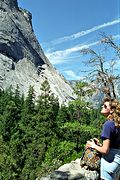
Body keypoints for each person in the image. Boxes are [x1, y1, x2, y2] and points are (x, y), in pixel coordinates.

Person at [86, 97, 120, 180]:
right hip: (117, 161)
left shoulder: (108, 125)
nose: (102, 106)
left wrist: (93, 145)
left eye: (105, 106)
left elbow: (105, 150)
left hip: (109, 163)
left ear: (111, 110)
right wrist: (100, 145)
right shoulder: (117, 124)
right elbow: (114, 145)